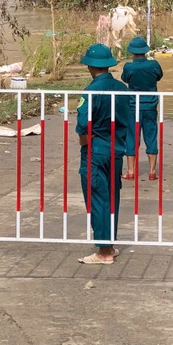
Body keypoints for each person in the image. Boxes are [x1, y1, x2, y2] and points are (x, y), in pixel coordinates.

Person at [76, 43, 131, 265]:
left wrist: (84, 143)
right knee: (111, 199)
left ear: (90, 66)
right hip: (116, 150)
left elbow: (82, 125)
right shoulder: (122, 89)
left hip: (95, 151)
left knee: (97, 199)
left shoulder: (90, 91)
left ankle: (104, 251)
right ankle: (109, 244)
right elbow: (128, 120)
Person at [120, 37, 164, 181]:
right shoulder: (154, 65)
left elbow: (125, 79)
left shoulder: (128, 67)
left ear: (132, 52)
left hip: (133, 106)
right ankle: (152, 172)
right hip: (150, 106)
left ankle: (131, 171)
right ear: (145, 51)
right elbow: (159, 77)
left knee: (132, 137)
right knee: (151, 137)